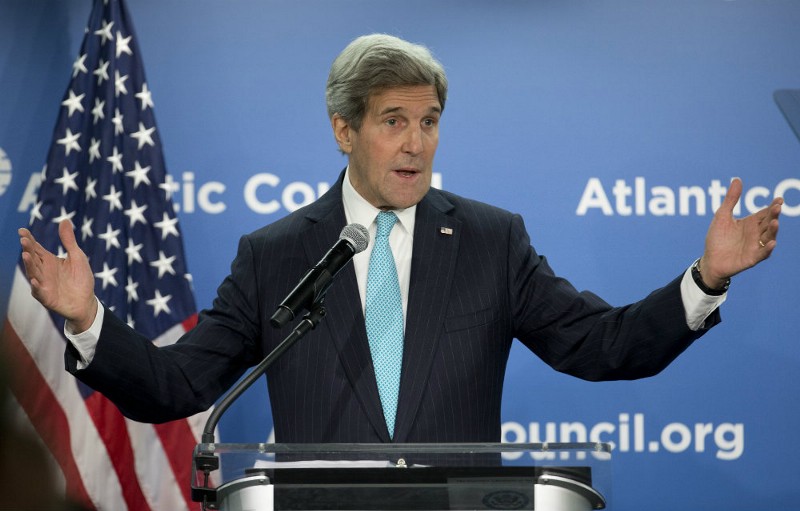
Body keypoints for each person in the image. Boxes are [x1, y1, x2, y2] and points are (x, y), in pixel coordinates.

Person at [18, 34, 781, 444]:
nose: (417, 143)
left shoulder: (490, 241)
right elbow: (177, 385)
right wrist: (88, 320)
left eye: (429, 121)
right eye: (394, 122)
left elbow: (604, 345)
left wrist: (706, 279)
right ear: (343, 129)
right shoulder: (276, 253)